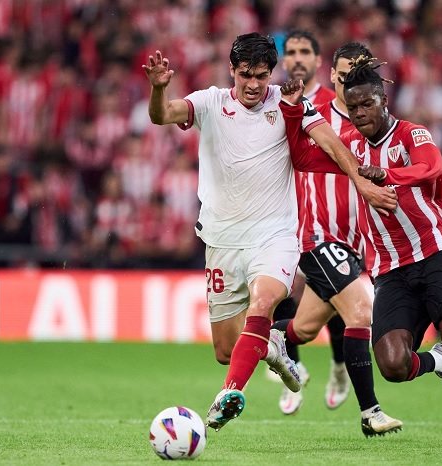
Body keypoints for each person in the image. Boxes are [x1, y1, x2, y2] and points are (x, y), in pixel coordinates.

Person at [142, 32, 397, 432]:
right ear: (232, 69)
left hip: (274, 236)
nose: (253, 84)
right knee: (226, 350)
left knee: (263, 304)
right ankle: (274, 346)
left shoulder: (287, 101)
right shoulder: (210, 102)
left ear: (271, 74)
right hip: (222, 240)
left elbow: (329, 141)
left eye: (262, 76)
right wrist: (159, 89)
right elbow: (163, 115)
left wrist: (360, 181)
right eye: (245, 74)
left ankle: (228, 395)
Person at [279, 56, 442, 452]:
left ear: (384, 101)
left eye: (367, 104)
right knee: (393, 365)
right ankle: (439, 362)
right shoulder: (349, 149)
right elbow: (301, 157)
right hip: (390, 267)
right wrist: (292, 109)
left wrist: (387, 174)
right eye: (352, 106)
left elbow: (431, 168)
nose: (359, 113)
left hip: (436, 251)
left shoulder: (412, 134)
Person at [273, 41, 403, 436]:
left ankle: (265, 336)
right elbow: (296, 155)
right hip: (318, 236)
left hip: (355, 243)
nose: (349, 84)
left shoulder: (376, 124)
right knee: (360, 313)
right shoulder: (316, 115)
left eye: (356, 77)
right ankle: (370, 413)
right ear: (332, 76)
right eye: (343, 76)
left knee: (303, 329)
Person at [271, 29, 349, 416]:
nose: (298, 58)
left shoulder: (337, 104)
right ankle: (293, 369)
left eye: (305, 51)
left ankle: (339, 365)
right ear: (284, 61)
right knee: (280, 293)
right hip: (286, 216)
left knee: (332, 297)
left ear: (319, 61)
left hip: (329, 217)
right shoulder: (273, 102)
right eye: (291, 52)